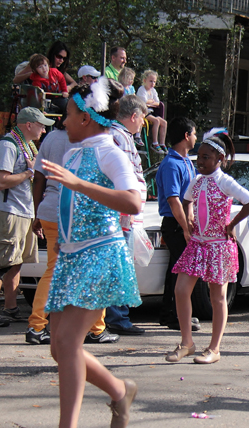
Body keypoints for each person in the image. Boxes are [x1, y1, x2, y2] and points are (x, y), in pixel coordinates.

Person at [30, 78, 142, 428]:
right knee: (59, 349)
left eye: (69, 113)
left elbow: (133, 201)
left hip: (100, 256)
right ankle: (118, 390)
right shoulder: (75, 151)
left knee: (69, 345)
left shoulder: (109, 151)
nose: (63, 119)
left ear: (87, 117)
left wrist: (79, 184)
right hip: (72, 257)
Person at [166, 133, 249, 364]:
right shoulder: (197, 181)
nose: (201, 162)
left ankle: (214, 348)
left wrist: (232, 224)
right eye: (199, 157)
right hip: (197, 244)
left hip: (219, 246)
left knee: (217, 297)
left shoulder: (225, 181)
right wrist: (189, 217)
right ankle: (187, 343)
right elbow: (186, 200)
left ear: (220, 158)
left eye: (206, 157)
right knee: (181, 290)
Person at [26, 124, 118, 345]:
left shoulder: (49, 140)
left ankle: (36, 325)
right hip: (80, 213)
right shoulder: (95, 138)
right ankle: (95, 329)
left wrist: (37, 211)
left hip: (50, 208)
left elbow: (39, 177)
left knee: (53, 270)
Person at [0, 108, 50, 327]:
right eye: (41, 124)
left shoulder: (27, 146)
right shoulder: (8, 145)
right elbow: (1, 182)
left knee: (17, 262)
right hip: (8, 212)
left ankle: (11, 308)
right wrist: (29, 172)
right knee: (1, 262)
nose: (44, 129)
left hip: (24, 212)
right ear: (29, 125)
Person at [104, 94, 150, 336]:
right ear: (133, 116)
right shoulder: (118, 138)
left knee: (121, 267)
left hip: (125, 214)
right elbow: (119, 178)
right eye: (142, 118)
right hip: (120, 215)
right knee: (119, 268)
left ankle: (117, 316)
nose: (143, 123)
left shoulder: (123, 137)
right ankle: (117, 318)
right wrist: (125, 212)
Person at [156, 116, 200, 331]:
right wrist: (185, 228)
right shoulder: (171, 164)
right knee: (182, 270)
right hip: (175, 223)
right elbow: (174, 201)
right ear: (186, 136)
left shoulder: (186, 162)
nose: (196, 137)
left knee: (175, 269)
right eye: (194, 133)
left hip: (182, 222)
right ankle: (175, 315)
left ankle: (169, 313)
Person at [136, 70, 167, 154]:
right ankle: (154, 143)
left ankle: (162, 143)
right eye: (151, 81)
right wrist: (150, 102)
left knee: (164, 123)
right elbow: (143, 102)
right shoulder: (141, 89)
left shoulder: (153, 91)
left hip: (151, 111)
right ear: (145, 80)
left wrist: (149, 102)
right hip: (144, 111)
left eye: (154, 81)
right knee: (156, 121)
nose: (152, 83)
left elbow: (158, 103)